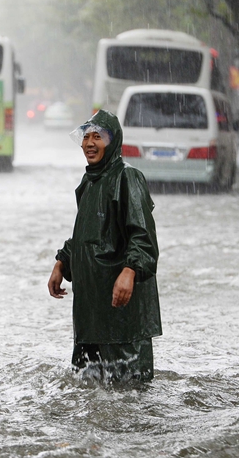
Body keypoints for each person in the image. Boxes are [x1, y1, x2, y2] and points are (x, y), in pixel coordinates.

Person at [48, 109, 161, 383]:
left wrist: (130, 271)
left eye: (97, 137)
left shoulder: (127, 178)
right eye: (86, 137)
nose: (89, 143)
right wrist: (62, 263)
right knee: (87, 395)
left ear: (113, 142)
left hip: (123, 319)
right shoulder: (89, 182)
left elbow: (143, 237)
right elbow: (88, 236)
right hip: (91, 315)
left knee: (130, 396)